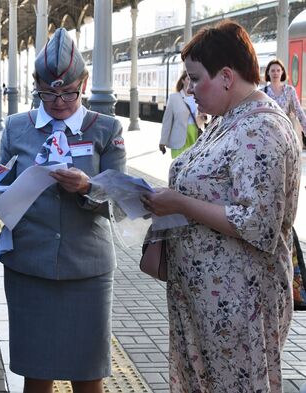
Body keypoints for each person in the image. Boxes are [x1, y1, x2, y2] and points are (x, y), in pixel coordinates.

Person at [141, 21, 301, 392]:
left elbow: (258, 222)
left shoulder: (260, 130)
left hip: (238, 306)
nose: (190, 89)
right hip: (210, 302)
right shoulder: (228, 121)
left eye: (196, 79)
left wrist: (179, 202)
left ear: (227, 76)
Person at [0, 28, 126, 392]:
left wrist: (87, 187)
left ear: (84, 83)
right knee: (35, 370)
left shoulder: (106, 128)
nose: (58, 101)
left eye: (68, 92)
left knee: (88, 373)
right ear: (36, 84)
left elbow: (120, 201)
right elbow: (1, 184)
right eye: (48, 92)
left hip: (86, 269)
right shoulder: (17, 127)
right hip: (30, 265)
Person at [263, 58, 306, 148]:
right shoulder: (263, 92)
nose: (275, 73)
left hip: (286, 133)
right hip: (268, 134)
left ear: (282, 72)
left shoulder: (289, 90)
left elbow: (299, 110)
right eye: (273, 70)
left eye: (278, 70)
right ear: (268, 72)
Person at [159, 71, 202, 158]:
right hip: (178, 137)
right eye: (188, 79)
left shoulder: (198, 96)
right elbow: (167, 121)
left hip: (195, 134)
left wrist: (205, 117)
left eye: (192, 79)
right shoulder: (174, 98)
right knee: (179, 167)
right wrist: (163, 141)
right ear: (182, 81)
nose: (190, 81)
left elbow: (206, 117)